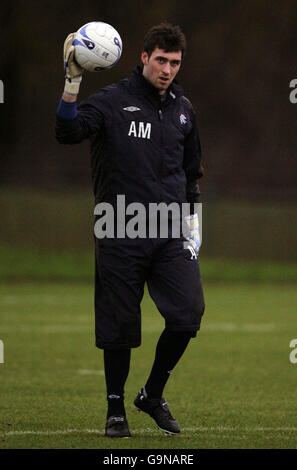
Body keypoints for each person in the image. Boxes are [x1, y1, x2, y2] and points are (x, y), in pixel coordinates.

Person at [55, 22, 205, 438]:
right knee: (119, 323)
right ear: (144, 57)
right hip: (120, 227)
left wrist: (193, 222)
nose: (167, 69)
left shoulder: (183, 109)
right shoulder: (111, 102)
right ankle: (115, 409)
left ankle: (152, 394)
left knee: (188, 315)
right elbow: (66, 131)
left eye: (175, 63)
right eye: (161, 60)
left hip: (171, 230)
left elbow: (191, 172)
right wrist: (72, 83)